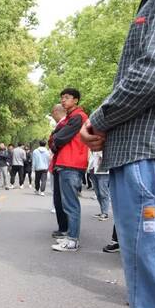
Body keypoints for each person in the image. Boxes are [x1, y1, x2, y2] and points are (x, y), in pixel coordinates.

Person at [82, 0, 155, 308]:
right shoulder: (151, 0)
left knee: (150, 285)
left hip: (147, 158)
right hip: (145, 155)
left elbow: (152, 73)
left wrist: (99, 119)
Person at [49, 88, 89, 252]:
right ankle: (70, 236)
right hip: (65, 163)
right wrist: (54, 139)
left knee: (70, 204)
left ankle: (72, 240)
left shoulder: (78, 117)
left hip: (71, 164)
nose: (63, 100)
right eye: (62, 98)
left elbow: (59, 138)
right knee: (66, 203)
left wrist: (55, 139)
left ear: (76, 100)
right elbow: (54, 139)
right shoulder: (70, 117)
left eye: (67, 97)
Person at [50, 104, 68, 234]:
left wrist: (53, 141)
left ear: (56, 112)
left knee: (62, 199)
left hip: (64, 164)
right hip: (60, 163)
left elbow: (55, 142)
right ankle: (64, 228)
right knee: (60, 198)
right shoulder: (63, 124)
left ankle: (65, 229)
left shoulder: (65, 124)